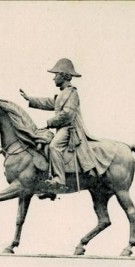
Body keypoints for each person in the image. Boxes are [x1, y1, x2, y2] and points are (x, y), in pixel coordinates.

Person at [20, 58, 99, 190]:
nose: (54, 78)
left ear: (63, 75)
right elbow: (50, 103)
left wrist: (49, 123)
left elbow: (68, 114)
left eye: (56, 75)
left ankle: (59, 180)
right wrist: (30, 99)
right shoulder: (63, 93)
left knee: (54, 146)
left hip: (70, 128)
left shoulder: (72, 93)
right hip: (63, 128)